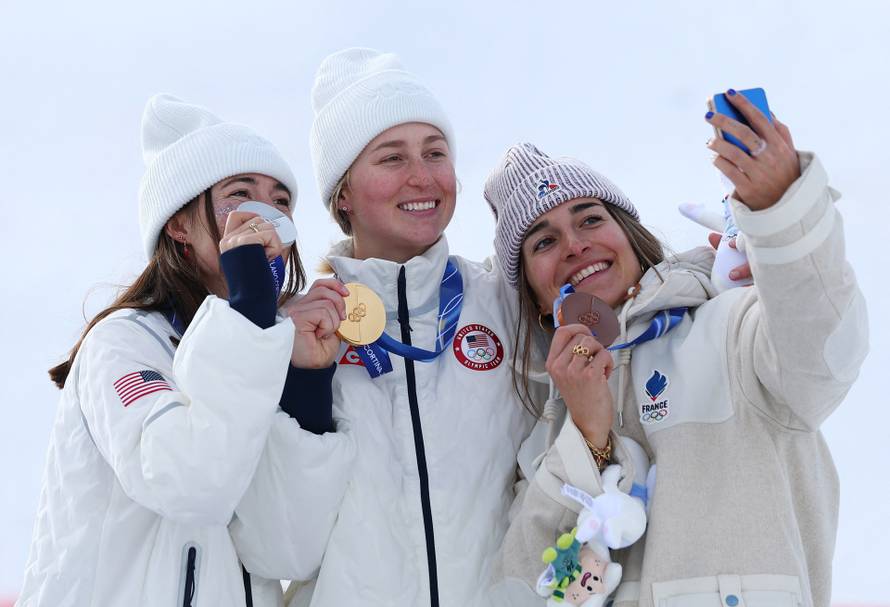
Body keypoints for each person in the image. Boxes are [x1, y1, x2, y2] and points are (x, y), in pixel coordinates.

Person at [486, 93, 869, 606]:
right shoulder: (540, 444)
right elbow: (527, 595)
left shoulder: (731, 328)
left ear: (631, 236)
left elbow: (826, 358)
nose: (575, 244)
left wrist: (779, 213)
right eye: (543, 242)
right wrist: (587, 436)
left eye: (591, 218)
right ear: (534, 298)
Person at [17, 94, 350, 607]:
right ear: (178, 226)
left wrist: (305, 381)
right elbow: (191, 484)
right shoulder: (124, 342)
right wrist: (252, 320)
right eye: (239, 195)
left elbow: (290, 551)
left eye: (281, 201)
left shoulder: (262, 348)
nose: (266, 214)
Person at [242, 48, 536, 607]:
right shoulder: (294, 333)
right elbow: (278, 545)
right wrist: (306, 380)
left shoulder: (507, 302)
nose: (422, 176)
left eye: (435, 153)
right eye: (392, 158)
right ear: (342, 193)